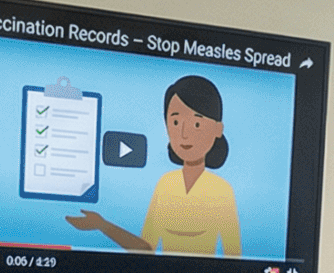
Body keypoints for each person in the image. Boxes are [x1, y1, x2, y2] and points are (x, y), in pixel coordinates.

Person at [68, 76, 242, 257]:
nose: (183, 133)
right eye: (175, 122)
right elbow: (145, 249)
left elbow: (235, 256)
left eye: (196, 124)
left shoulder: (222, 191)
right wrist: (101, 224)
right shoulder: (165, 184)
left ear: (217, 129)